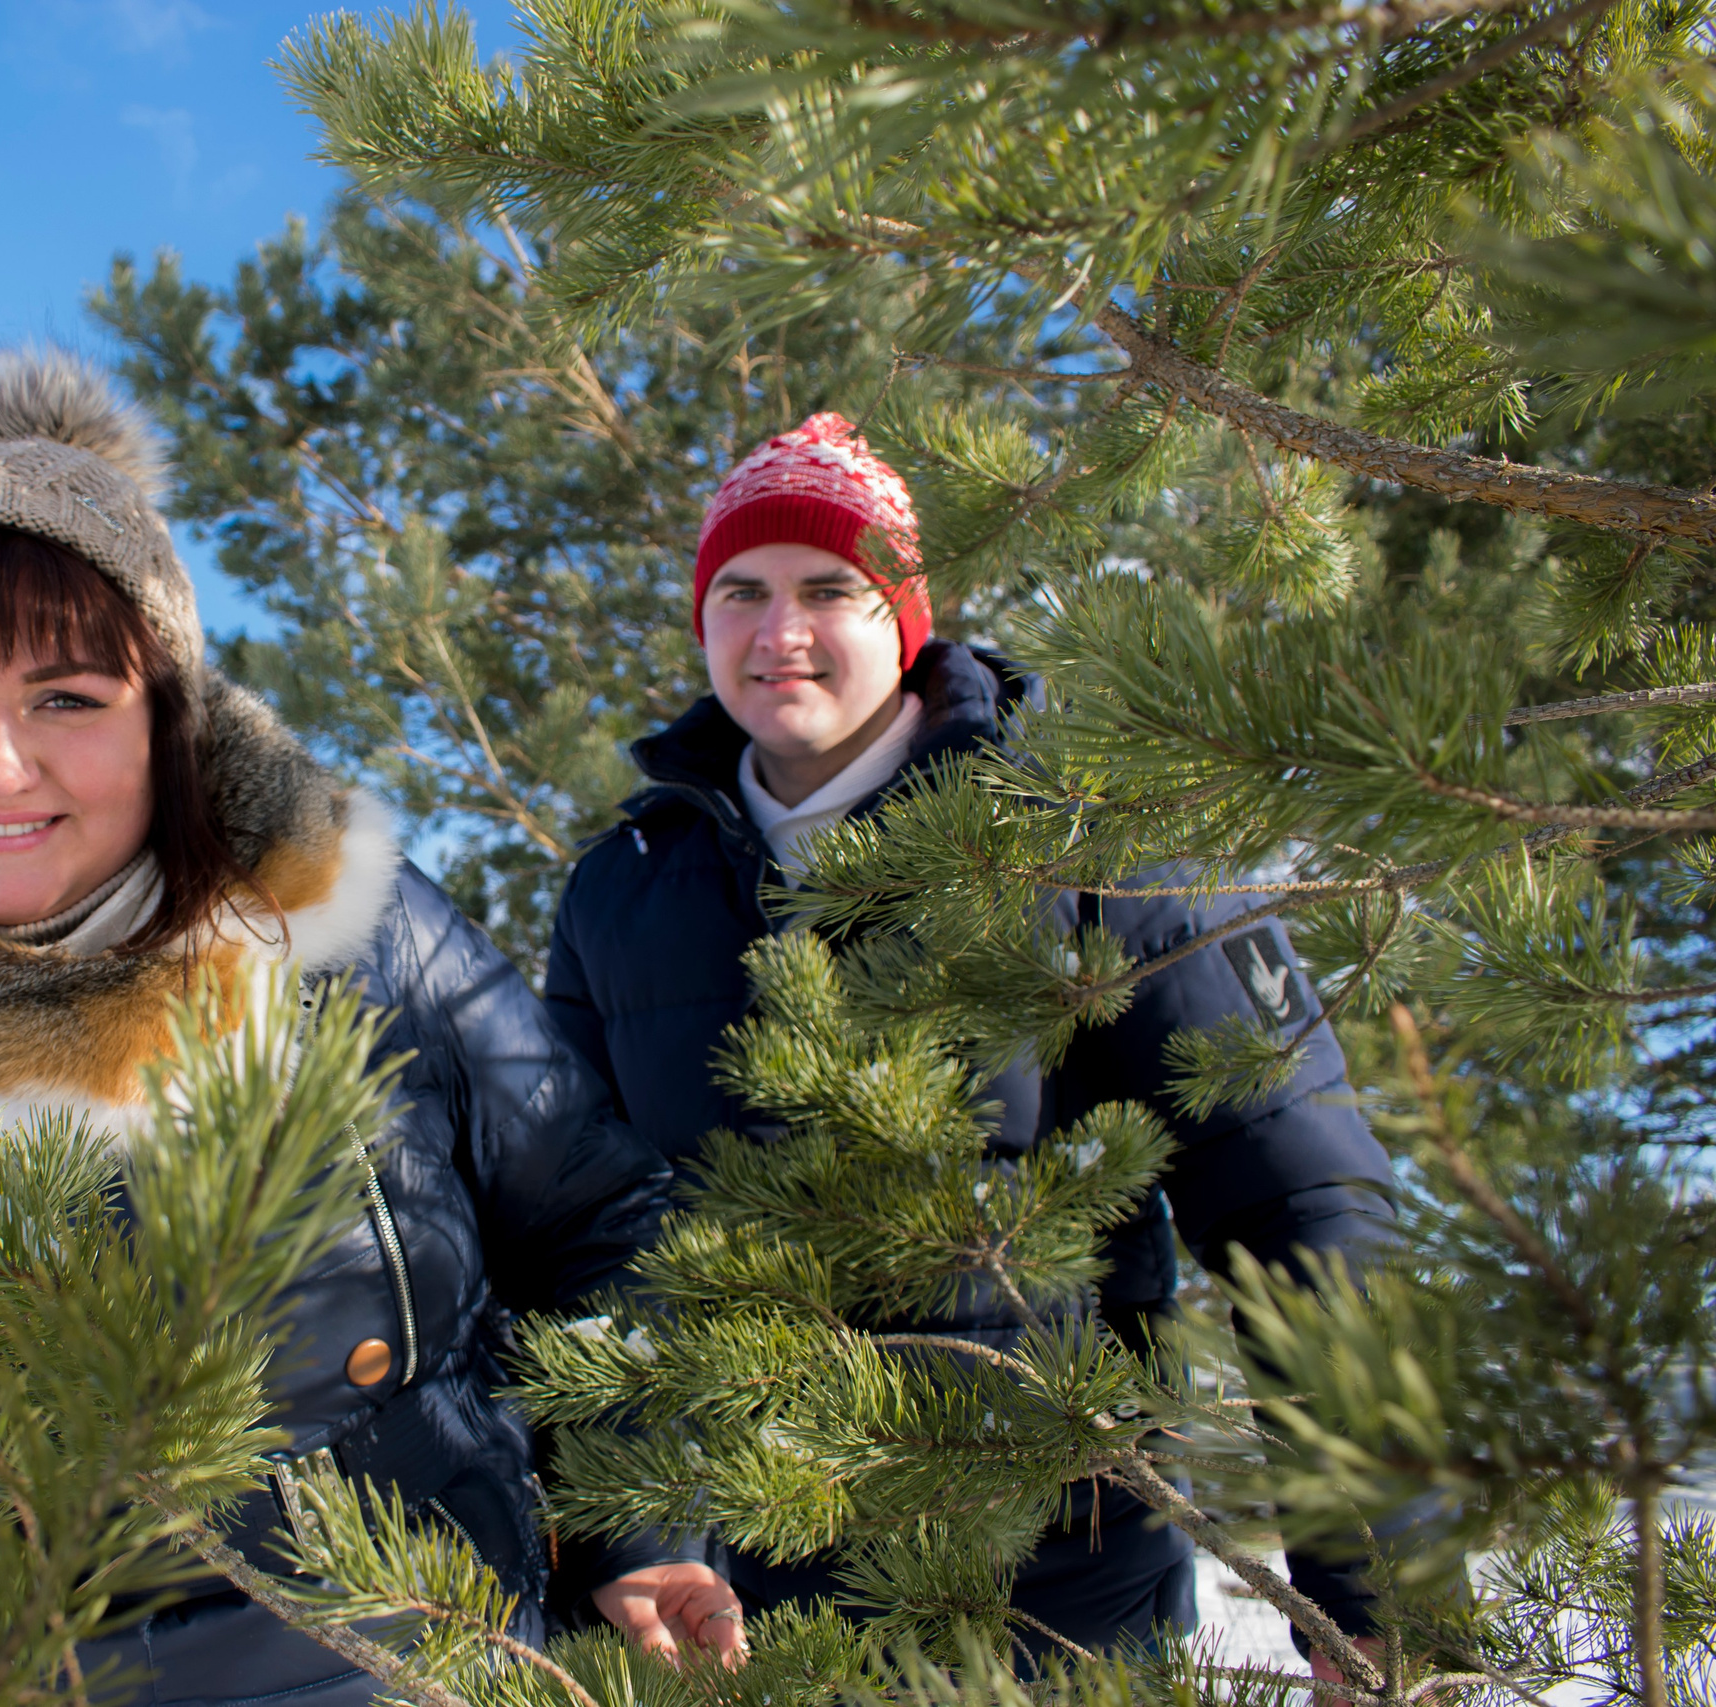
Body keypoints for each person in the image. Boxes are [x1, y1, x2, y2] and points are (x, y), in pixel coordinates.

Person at [0, 347, 746, 1704]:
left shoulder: (354, 928)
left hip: (443, 1667)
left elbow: (599, 1221)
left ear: (168, 717)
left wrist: (633, 1522)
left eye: (65, 696)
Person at [542, 413, 1402, 1663]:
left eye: (827, 588)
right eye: (740, 592)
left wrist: (1371, 1593)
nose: (777, 633)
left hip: (1051, 1590)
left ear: (907, 615)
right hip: (736, 1612)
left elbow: (1296, 1199)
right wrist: (632, 1534)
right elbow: (581, 1232)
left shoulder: (1073, 825)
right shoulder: (620, 890)